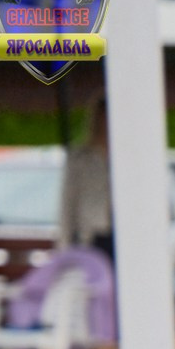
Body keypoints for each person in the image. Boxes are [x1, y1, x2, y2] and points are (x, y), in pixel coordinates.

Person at [59, 93, 114, 257]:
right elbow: (68, 202)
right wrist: (64, 247)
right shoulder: (80, 158)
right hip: (90, 235)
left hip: (122, 234)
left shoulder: (128, 157)